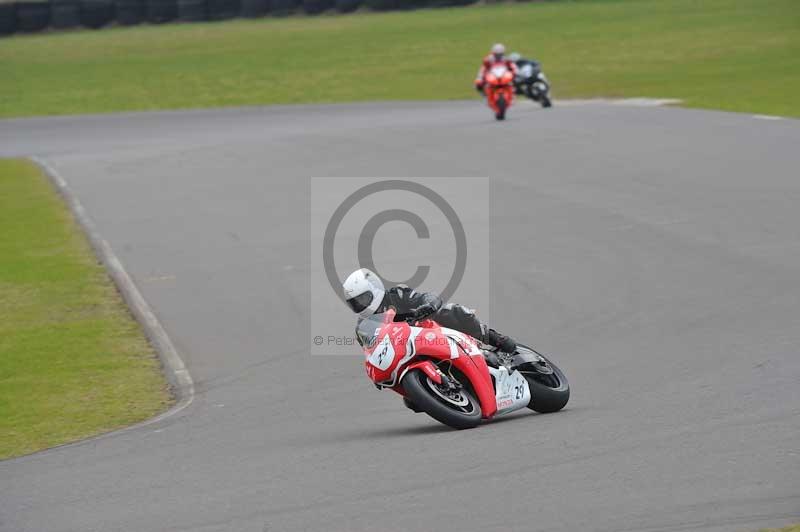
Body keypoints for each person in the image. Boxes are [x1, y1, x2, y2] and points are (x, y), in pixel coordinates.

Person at [342, 268, 517, 355]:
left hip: (430, 333)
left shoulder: (396, 295)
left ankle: (494, 338)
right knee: (412, 402)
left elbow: (423, 297)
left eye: (362, 298)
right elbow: (371, 353)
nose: (360, 305)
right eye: (355, 303)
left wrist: (428, 305)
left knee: (450, 311)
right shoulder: (363, 328)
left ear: (374, 288)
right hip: (405, 353)